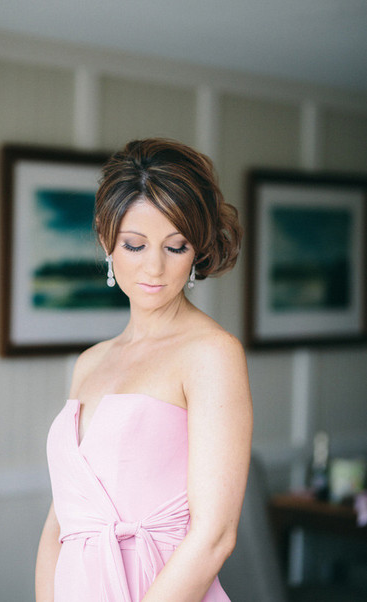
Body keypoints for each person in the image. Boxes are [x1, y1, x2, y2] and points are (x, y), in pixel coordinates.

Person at [35, 138, 253, 602]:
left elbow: (215, 536)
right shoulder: (90, 362)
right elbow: (61, 521)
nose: (154, 267)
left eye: (176, 246)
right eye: (135, 245)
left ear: (197, 250)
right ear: (106, 241)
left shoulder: (212, 354)